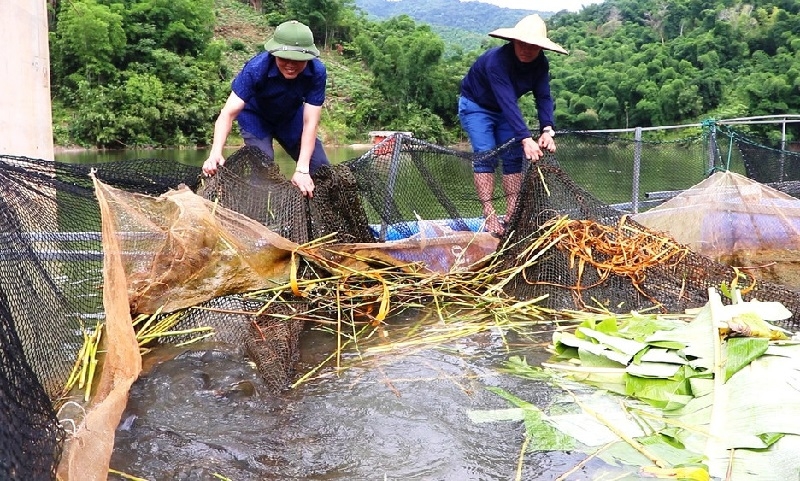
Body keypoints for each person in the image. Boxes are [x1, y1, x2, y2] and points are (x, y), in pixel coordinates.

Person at [458, 14, 568, 236]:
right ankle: (489, 215)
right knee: (485, 155)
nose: (527, 50)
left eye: (533, 46)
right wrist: (526, 138)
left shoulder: (540, 64)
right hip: (477, 106)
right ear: (514, 41)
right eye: (522, 44)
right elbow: (507, 99)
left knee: (513, 158)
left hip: (504, 111)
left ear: (540, 48)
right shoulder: (496, 61)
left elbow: (544, 96)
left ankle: (512, 214)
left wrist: (547, 129)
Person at [202, 20, 329, 198]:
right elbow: (227, 114)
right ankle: (260, 221)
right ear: (274, 54)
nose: (291, 65)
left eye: (298, 60)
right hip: (256, 118)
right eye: (284, 58)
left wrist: (302, 169)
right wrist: (215, 153)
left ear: (309, 58)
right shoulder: (256, 69)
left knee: (321, 167)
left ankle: (318, 222)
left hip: (290, 118)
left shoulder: (317, 72)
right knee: (263, 169)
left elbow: (310, 123)